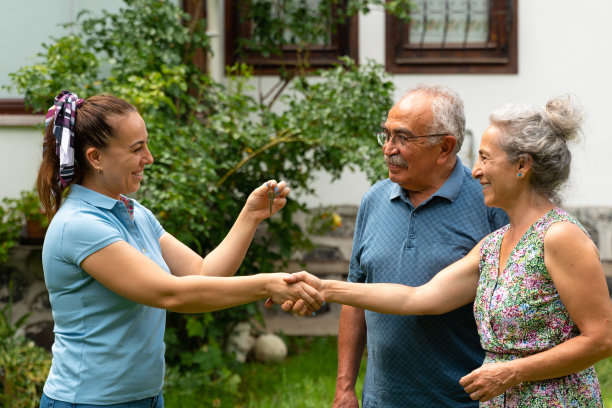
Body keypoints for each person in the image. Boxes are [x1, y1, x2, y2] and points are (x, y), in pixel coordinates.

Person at [286, 95, 612, 407]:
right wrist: (324, 288)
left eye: (485, 158)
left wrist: (512, 371)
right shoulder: (494, 244)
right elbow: (419, 299)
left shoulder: (560, 236)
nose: (475, 170)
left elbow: (602, 338)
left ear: (522, 166)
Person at [37, 91, 323, 406]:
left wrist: (251, 215)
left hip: (145, 397)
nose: (149, 157)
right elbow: (172, 294)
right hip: (88, 401)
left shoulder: (134, 213)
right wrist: (267, 284)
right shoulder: (80, 226)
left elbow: (204, 273)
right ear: (95, 158)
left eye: (146, 144)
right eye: (137, 148)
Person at [281, 84, 508, 407]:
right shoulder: (374, 200)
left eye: (402, 138)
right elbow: (355, 295)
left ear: (445, 148)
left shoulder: (488, 203)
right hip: (382, 400)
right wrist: (345, 387)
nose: (388, 149)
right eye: (385, 136)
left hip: (463, 402)